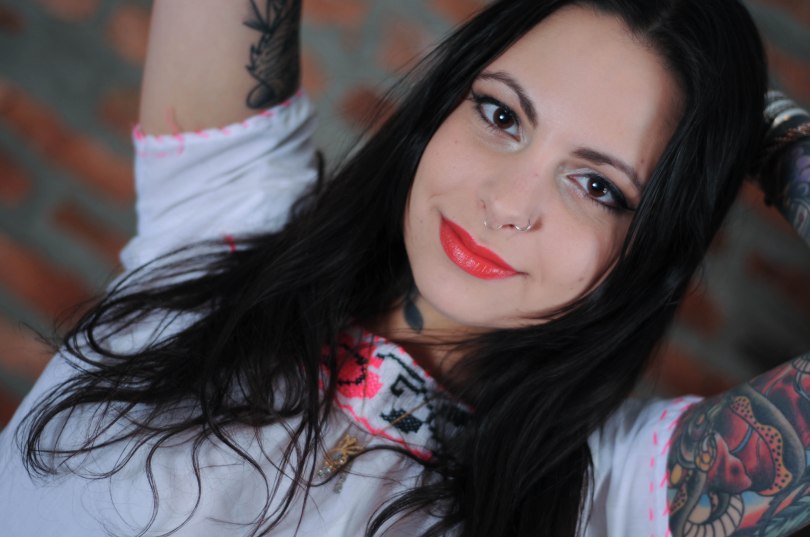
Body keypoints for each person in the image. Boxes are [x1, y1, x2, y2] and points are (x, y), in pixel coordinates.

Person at [0, 0, 808, 535]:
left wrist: (770, 136)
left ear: (656, 243)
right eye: (501, 114)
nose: (506, 202)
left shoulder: (611, 496)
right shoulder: (229, 215)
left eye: (598, 186)